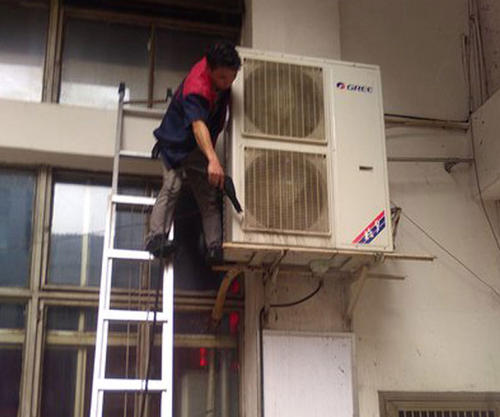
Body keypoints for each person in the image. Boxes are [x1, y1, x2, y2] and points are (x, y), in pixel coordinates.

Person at [145, 42, 241, 264]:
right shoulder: (197, 86)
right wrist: (213, 159)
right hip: (175, 142)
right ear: (210, 69)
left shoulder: (224, 79)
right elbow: (198, 125)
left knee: (208, 195)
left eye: (232, 78)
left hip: (197, 147)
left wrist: (210, 161)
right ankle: (155, 239)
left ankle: (214, 247)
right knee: (172, 185)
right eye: (222, 78)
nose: (227, 83)